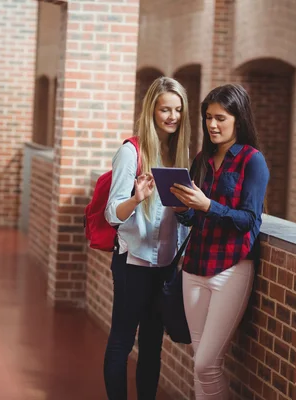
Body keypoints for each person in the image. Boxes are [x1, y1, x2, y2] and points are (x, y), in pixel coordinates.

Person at [170, 84, 269, 399]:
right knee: (200, 363)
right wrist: (184, 209)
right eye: (208, 117)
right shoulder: (202, 159)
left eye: (220, 118)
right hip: (194, 267)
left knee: (206, 365)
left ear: (238, 120)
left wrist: (208, 205)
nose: (212, 125)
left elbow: (250, 221)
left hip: (231, 268)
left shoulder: (253, 161)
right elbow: (194, 220)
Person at [103, 76, 191, 400]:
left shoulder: (182, 155)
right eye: (165, 109)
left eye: (178, 110)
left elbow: (183, 218)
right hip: (133, 263)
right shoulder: (131, 152)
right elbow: (112, 213)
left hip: (165, 265)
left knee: (153, 348)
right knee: (122, 342)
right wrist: (136, 198)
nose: (172, 117)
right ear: (151, 110)